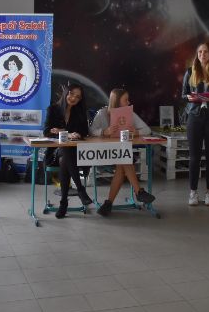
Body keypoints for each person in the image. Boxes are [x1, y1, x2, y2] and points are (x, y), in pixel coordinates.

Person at [89, 88, 156, 216]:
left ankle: (108, 203)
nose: (129, 102)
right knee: (124, 158)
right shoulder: (102, 113)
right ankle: (139, 192)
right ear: (116, 101)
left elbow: (147, 130)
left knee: (123, 161)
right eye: (126, 100)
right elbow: (91, 131)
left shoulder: (129, 114)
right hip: (104, 153)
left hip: (121, 153)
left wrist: (136, 132)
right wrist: (104, 132)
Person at [181, 42, 209, 206]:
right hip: (194, 116)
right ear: (197, 54)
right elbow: (183, 94)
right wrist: (190, 97)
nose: (202, 54)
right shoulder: (190, 72)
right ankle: (193, 193)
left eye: (205, 52)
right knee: (194, 157)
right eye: (200, 52)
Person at [43, 83, 93, 218]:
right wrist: (66, 134)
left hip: (75, 154)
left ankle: (64, 203)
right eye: (71, 94)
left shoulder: (79, 112)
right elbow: (47, 132)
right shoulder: (53, 109)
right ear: (66, 93)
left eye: (78, 97)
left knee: (65, 158)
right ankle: (80, 190)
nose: (73, 98)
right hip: (55, 153)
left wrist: (66, 132)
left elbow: (84, 131)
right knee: (65, 152)